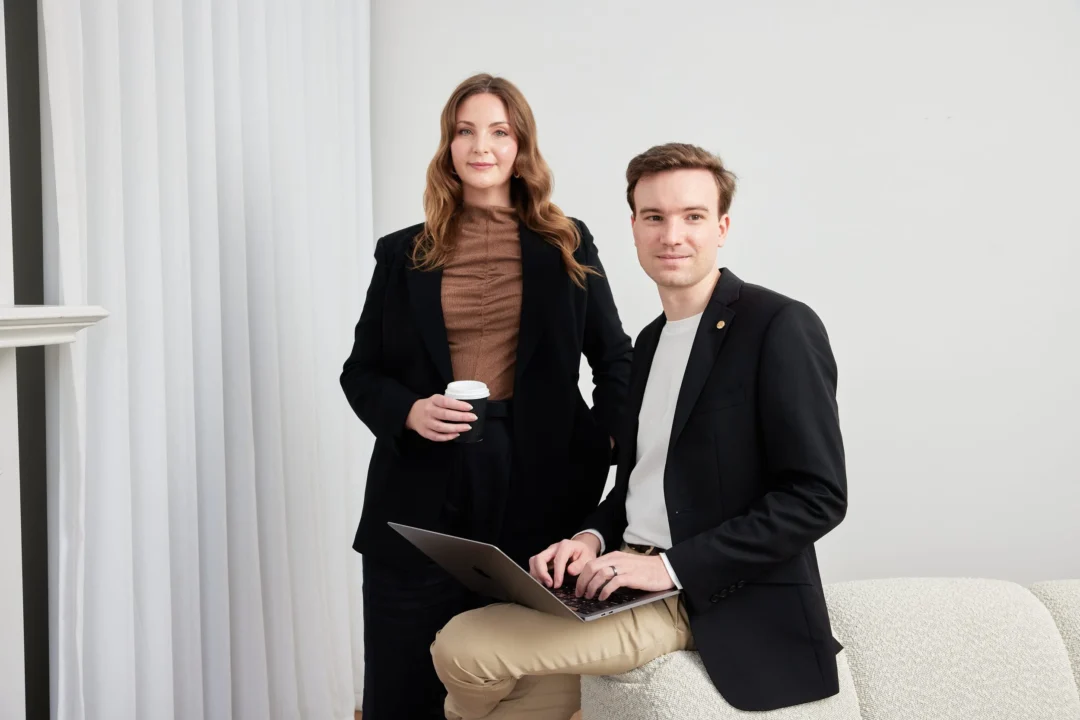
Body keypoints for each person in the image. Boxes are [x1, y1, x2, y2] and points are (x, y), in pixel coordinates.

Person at [430, 143, 848, 719]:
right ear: (633, 228)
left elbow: (817, 498)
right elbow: (637, 482)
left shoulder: (777, 326)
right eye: (654, 217)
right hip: (621, 575)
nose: (671, 235)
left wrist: (667, 568)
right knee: (513, 706)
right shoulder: (650, 343)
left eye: (692, 216)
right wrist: (589, 540)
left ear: (722, 227)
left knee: (464, 646)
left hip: (706, 593)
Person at [340, 74, 633, 720]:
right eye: (465, 131)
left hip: (538, 483)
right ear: (448, 146)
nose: (481, 146)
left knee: (518, 686)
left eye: (499, 131)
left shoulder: (568, 242)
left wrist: (607, 444)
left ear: (521, 144)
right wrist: (409, 411)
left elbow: (615, 358)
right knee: (401, 681)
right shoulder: (401, 254)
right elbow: (359, 372)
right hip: (420, 483)